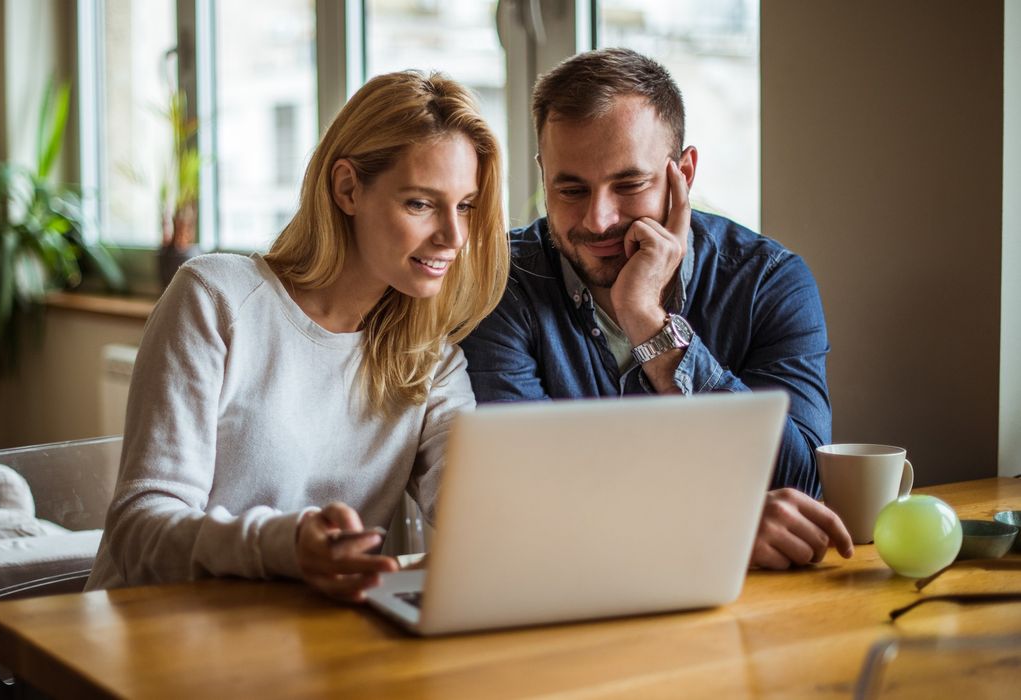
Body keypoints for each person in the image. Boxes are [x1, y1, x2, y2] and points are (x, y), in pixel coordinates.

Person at [87, 71, 509, 601]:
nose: (454, 236)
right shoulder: (217, 299)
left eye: (465, 205)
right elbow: (138, 530)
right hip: (151, 638)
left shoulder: (431, 360)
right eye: (421, 204)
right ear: (347, 188)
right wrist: (283, 546)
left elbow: (470, 507)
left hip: (306, 643)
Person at [459, 48, 853, 570]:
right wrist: (716, 523)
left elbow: (800, 484)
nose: (598, 220)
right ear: (543, 174)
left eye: (629, 184)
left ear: (682, 172)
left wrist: (649, 321)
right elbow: (522, 494)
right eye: (571, 188)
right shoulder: (499, 282)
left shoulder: (769, 283)